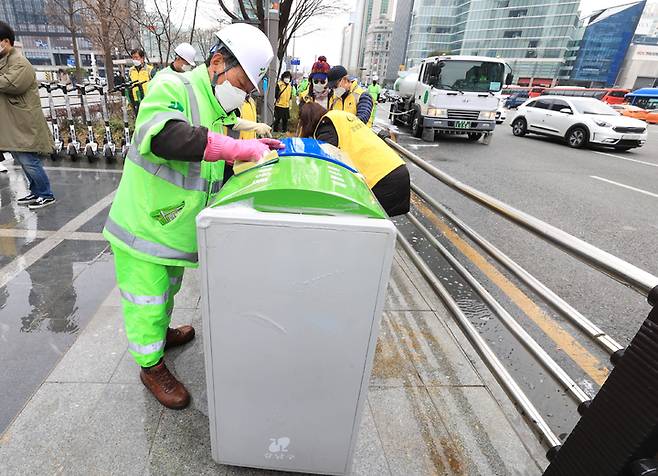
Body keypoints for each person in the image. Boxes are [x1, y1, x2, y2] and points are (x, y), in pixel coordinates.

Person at [102, 23, 283, 410]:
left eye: (250, 89)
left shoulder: (217, 106)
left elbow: (212, 166)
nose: (243, 94)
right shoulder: (173, 86)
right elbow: (167, 137)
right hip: (144, 226)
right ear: (217, 62)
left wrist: (250, 149)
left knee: (166, 294)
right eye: (241, 83)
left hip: (174, 230)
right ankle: (150, 366)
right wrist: (234, 148)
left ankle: (161, 334)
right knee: (146, 300)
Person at [298, 102, 409, 217]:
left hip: (381, 179)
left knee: (367, 224)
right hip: (394, 167)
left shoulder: (326, 126)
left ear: (308, 120)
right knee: (374, 225)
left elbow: (326, 162)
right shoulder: (339, 116)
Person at [0, 21, 56, 209]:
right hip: (15, 122)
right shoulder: (6, 61)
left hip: (24, 122)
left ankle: (46, 194)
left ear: (5, 41)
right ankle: (36, 191)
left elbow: (10, 84)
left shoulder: (20, 63)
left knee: (29, 160)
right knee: (23, 160)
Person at [128, 48, 155, 114]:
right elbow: (129, 85)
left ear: (142, 58)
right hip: (135, 100)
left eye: (137, 57)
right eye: (133, 58)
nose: (135, 60)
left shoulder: (150, 70)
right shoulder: (131, 70)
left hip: (148, 100)